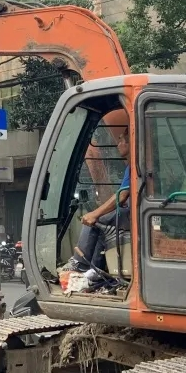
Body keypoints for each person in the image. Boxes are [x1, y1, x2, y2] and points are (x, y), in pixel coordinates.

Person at [73, 109, 131, 272]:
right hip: (130, 210)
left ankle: (80, 265)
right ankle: (95, 270)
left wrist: (94, 214)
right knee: (101, 223)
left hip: (134, 212)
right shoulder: (131, 166)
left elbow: (122, 195)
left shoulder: (135, 165)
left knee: (95, 221)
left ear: (130, 143)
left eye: (121, 140)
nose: (118, 144)